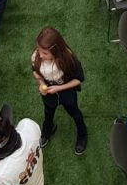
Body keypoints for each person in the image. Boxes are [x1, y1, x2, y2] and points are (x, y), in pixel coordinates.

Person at [31, 26, 87, 155]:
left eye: (45, 53)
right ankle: (48, 129)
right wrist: (41, 84)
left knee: (75, 114)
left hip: (67, 93)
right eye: (39, 50)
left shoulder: (69, 60)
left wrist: (59, 88)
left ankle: (82, 134)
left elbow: (79, 79)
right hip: (48, 94)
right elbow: (35, 72)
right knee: (48, 113)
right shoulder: (36, 57)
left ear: (56, 51)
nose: (40, 55)